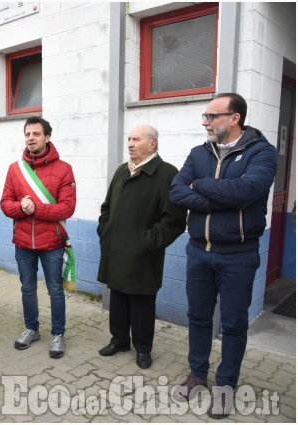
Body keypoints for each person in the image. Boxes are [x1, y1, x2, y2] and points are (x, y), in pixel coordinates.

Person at [169, 93, 278, 419]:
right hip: (199, 251)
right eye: (205, 116)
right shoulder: (198, 153)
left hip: (238, 255)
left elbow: (248, 191)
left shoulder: (262, 152)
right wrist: (221, 199)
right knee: (198, 318)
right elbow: (176, 191)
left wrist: (200, 185)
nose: (205, 122)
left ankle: (226, 385)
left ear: (234, 118)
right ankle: (197, 374)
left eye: (211, 116)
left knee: (232, 324)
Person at [97, 125, 186, 369]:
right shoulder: (121, 171)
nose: (130, 144)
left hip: (143, 255)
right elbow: (106, 207)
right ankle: (120, 340)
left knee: (141, 302)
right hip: (116, 250)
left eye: (136, 139)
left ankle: (143, 348)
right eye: (129, 139)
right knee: (118, 298)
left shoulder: (166, 173)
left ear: (152, 144)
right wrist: (105, 231)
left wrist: (147, 242)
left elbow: (174, 220)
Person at [0, 117, 76, 358]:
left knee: (55, 290)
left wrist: (36, 209)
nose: (30, 138)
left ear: (47, 137)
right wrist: (21, 208)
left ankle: (57, 334)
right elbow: (4, 203)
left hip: (51, 243)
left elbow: (67, 208)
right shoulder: (15, 169)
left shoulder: (64, 169)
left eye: (35, 133)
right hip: (23, 242)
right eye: (27, 134)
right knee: (27, 288)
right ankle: (32, 328)